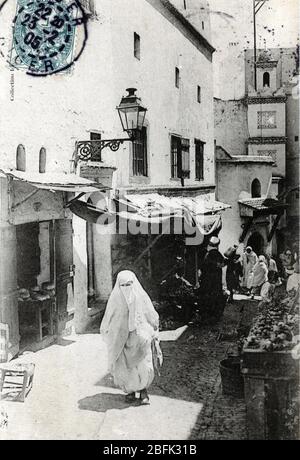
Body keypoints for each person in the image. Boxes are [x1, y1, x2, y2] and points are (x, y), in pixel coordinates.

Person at [100, 270, 163, 405]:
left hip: (138, 337)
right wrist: (110, 331)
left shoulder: (140, 297)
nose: (126, 288)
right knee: (124, 366)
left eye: (129, 284)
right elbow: (109, 317)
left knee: (142, 364)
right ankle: (130, 391)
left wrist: (151, 328)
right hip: (121, 339)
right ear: (118, 286)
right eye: (123, 285)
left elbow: (150, 313)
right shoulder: (115, 299)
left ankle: (143, 391)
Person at [198, 236, 226, 320]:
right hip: (215, 281)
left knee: (206, 297)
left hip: (206, 280)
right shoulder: (218, 254)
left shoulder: (206, 254)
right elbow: (222, 264)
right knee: (215, 297)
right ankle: (214, 315)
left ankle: (205, 315)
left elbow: (202, 266)